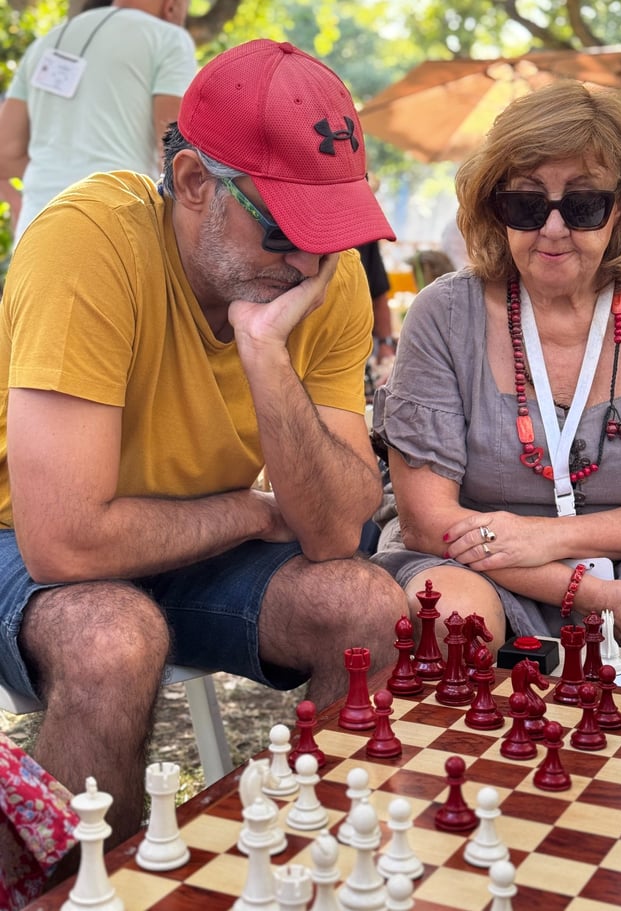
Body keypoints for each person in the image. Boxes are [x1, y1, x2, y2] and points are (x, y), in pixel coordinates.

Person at [0, 38, 407, 852]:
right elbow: (65, 541)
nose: (309, 261)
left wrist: (264, 353)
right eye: (283, 228)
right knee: (112, 640)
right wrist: (251, 513)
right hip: (21, 536)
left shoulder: (320, 281)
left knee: (369, 608)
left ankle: (320, 867)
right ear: (192, 182)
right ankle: (63, 895)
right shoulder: (88, 239)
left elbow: (334, 531)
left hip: (183, 545)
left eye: (330, 232)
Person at [371, 81, 621, 669]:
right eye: (527, 204)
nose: (553, 228)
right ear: (494, 206)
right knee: (453, 624)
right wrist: (591, 593)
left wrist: (548, 538)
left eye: (583, 205)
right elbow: (430, 524)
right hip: (477, 559)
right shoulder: (444, 313)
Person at [0, 0, 197, 247]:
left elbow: (5, 154)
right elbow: (173, 151)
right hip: (116, 227)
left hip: (36, 226)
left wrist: (54, 178)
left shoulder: (47, 42)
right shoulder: (169, 39)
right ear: (172, 6)